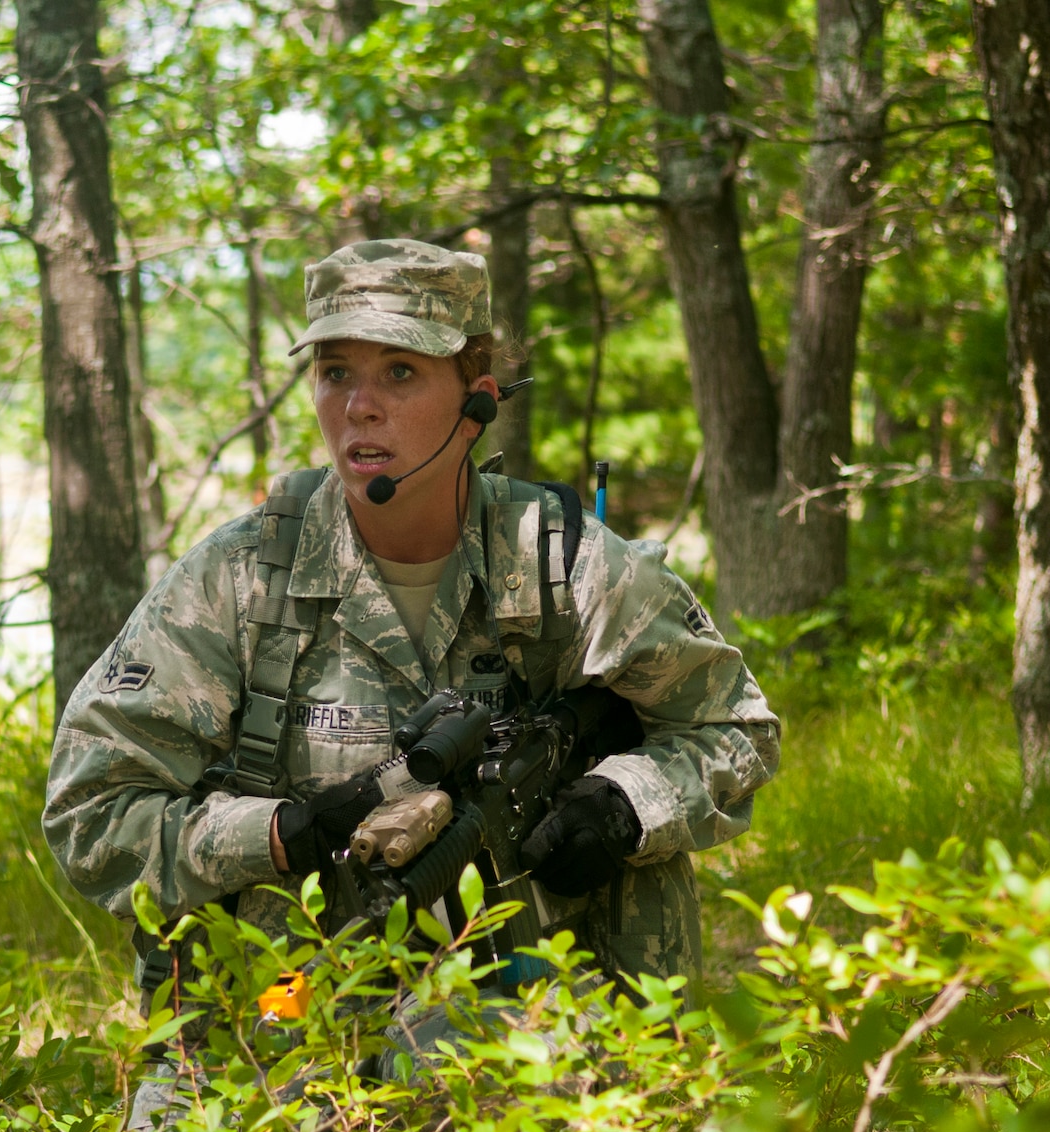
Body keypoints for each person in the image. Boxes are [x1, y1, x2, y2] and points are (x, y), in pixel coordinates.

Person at [44, 236, 779, 1036]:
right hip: (288, 1013)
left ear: (477, 401)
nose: (360, 406)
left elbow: (734, 731)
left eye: (400, 372)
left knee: (457, 1062)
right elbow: (91, 811)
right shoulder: (238, 581)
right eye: (335, 373)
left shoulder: (569, 566)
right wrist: (276, 836)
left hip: (554, 1012)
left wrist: (627, 804)